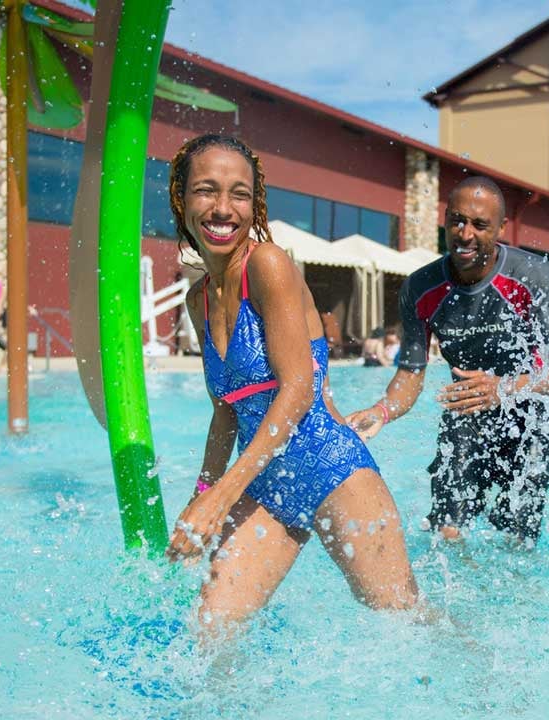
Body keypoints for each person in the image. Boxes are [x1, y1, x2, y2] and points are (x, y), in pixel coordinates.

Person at [164, 135, 418, 634]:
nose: (222, 208)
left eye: (238, 194)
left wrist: (222, 498)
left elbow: (299, 389)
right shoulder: (199, 299)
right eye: (205, 190)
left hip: (331, 469)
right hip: (265, 486)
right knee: (210, 632)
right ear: (181, 199)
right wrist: (201, 495)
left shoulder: (267, 265)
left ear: (254, 204)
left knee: (407, 628)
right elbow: (225, 410)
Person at [347, 176, 549, 544]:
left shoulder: (532, 276)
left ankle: (515, 598)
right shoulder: (421, 288)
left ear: (501, 228)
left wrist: (504, 388)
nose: (464, 233)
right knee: (447, 529)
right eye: (456, 220)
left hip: (532, 415)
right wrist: (383, 411)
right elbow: (411, 372)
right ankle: (460, 603)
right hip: (466, 413)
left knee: (517, 532)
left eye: (479, 224)